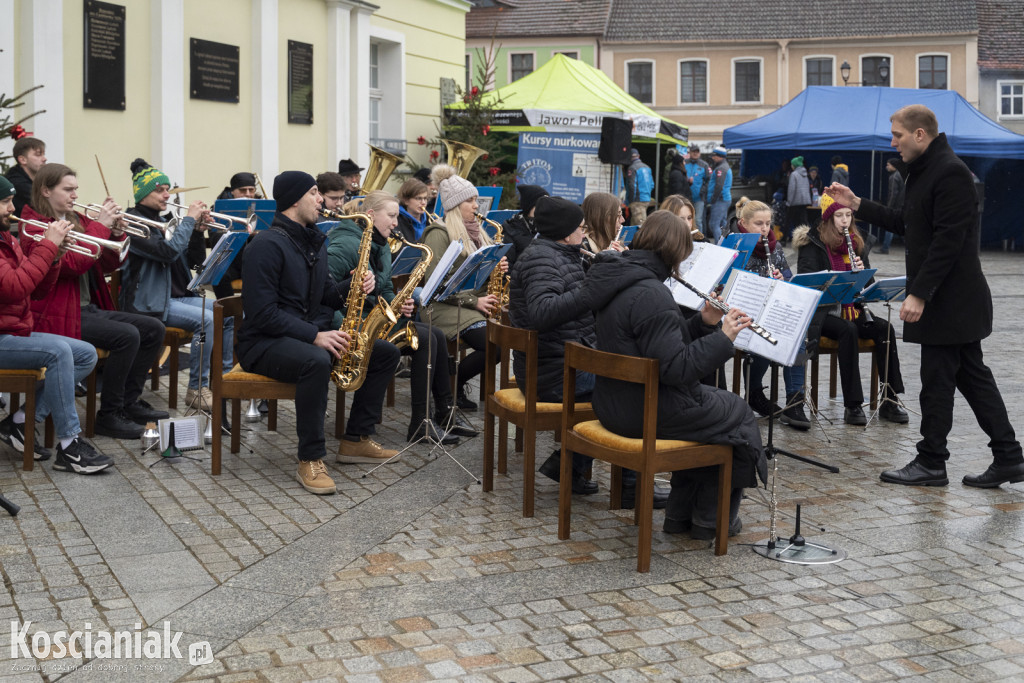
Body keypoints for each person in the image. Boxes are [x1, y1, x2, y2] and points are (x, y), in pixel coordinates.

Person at [827, 103, 1024, 488]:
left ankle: (932, 461)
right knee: (973, 377)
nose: (892, 142)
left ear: (920, 134)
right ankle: (1009, 456)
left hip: (950, 302)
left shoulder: (949, 172)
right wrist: (857, 204)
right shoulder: (925, 171)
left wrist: (918, 294)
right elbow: (905, 223)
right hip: (950, 301)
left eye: (897, 134)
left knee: (937, 381)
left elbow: (948, 243)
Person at [586, 210, 766, 538]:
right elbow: (676, 368)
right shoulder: (653, 294)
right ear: (674, 254)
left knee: (717, 411)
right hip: (643, 409)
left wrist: (703, 322)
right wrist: (723, 337)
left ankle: (681, 515)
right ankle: (710, 520)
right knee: (737, 414)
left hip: (614, 402)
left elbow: (655, 345)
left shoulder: (617, 279)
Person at [238, 172, 400, 494]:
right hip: (262, 343)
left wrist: (356, 285)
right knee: (317, 359)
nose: (321, 200)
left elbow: (326, 294)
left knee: (384, 351)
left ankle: (355, 439)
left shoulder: (313, 241)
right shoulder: (265, 245)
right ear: (295, 200)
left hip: (300, 334)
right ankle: (310, 458)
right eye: (314, 193)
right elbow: (262, 313)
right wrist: (315, 335)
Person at [510, 195, 668, 506]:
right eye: (581, 228)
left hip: (559, 361)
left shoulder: (559, 254)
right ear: (565, 231)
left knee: (627, 375)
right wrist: (592, 290)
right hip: (552, 374)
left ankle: (569, 466)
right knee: (634, 388)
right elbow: (544, 313)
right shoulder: (543, 259)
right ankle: (629, 485)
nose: (584, 233)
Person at [21, 164, 168, 439]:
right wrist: (100, 226)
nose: (75, 195)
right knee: (127, 336)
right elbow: (74, 264)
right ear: (45, 190)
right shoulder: (35, 225)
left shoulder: (75, 219)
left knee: (153, 329)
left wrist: (114, 234)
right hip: (58, 314)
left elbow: (107, 262)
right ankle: (109, 415)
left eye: (76, 188)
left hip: (87, 308)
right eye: (68, 189)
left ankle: (128, 402)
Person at [326, 190, 475, 444]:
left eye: (397, 216)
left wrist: (399, 304)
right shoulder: (345, 245)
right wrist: (345, 330)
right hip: (351, 326)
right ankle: (420, 422)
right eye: (392, 216)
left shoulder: (381, 242)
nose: (397, 223)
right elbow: (323, 294)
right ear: (370, 215)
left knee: (434, 333)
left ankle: (443, 412)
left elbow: (383, 289)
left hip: (375, 321)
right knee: (425, 340)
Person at [0, 175, 113, 473]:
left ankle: (21, 421)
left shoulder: (8, 239)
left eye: (11, 200)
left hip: (14, 330)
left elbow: (35, 290)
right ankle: (70, 446)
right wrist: (48, 247)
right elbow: (13, 287)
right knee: (59, 351)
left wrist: (54, 258)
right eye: (4, 202)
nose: (11, 208)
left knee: (85, 353)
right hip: (3, 336)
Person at [120, 159, 233, 414]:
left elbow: (192, 261)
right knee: (207, 321)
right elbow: (168, 252)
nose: (167, 194)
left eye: (167, 188)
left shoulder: (166, 221)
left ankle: (223, 379)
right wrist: (188, 221)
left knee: (227, 312)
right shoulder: (135, 223)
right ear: (142, 194)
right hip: (150, 302)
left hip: (178, 296)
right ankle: (197, 388)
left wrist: (195, 231)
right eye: (159, 189)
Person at [794, 193, 907, 426]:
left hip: (852, 308)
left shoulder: (856, 243)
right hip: (823, 313)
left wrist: (861, 271)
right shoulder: (812, 244)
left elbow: (865, 289)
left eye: (848, 215)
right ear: (827, 218)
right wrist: (836, 278)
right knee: (848, 330)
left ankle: (890, 399)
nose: (845, 221)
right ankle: (853, 405)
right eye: (839, 215)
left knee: (884, 329)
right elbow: (808, 283)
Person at [421, 175, 507, 410]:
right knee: (494, 346)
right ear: (455, 206)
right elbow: (436, 284)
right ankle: (452, 384)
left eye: (475, 200)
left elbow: (475, 278)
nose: (476, 206)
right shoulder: (438, 233)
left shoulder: (476, 232)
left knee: (500, 340)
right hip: (441, 306)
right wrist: (475, 301)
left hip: (467, 304)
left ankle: (453, 385)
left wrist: (495, 270)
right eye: (469, 201)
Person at [735, 199, 810, 430]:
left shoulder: (775, 248)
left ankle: (795, 402)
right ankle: (755, 392)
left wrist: (781, 280)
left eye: (767, 223)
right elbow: (726, 284)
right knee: (761, 336)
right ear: (744, 223)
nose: (764, 228)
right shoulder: (734, 245)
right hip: (742, 313)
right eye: (758, 223)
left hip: (772, 310)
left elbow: (789, 280)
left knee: (796, 331)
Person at [500, 184, 548, 267]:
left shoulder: (549, 228)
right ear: (529, 207)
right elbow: (507, 269)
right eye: (539, 206)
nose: (545, 210)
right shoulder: (510, 230)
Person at [4, 136, 46, 218]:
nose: (44, 159)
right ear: (23, 160)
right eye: (38, 154)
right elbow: (46, 204)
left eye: (44, 154)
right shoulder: (16, 182)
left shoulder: (40, 179)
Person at [877, 158, 904, 254]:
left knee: (890, 227)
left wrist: (889, 207)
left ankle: (885, 247)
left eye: (888, 165)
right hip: (902, 205)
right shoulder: (902, 174)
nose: (886, 167)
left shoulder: (894, 177)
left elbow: (893, 193)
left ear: (894, 166)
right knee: (901, 227)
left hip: (895, 206)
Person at [683, 144, 711, 233]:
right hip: (686, 197)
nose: (695, 153)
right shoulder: (684, 163)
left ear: (699, 153)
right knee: (685, 219)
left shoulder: (704, 165)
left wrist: (702, 190)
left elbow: (709, 180)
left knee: (698, 220)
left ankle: (700, 239)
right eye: (693, 152)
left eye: (697, 152)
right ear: (689, 153)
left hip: (699, 197)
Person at [706, 147, 732, 243]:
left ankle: (720, 245)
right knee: (722, 224)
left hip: (720, 200)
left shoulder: (721, 168)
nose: (713, 158)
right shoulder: (725, 166)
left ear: (719, 156)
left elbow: (719, 186)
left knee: (713, 224)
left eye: (714, 155)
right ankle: (726, 244)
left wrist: (713, 199)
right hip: (724, 199)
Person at [395, 178, 432, 243]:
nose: (423, 202)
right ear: (406, 200)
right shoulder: (397, 221)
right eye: (418, 198)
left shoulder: (430, 219)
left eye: (425, 198)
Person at [624, 148, 653, 224]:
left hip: (637, 201)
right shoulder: (647, 168)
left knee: (640, 226)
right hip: (646, 199)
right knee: (634, 225)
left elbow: (632, 186)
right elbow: (652, 185)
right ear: (638, 156)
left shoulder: (632, 168)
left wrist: (630, 201)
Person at [786, 156, 811, 243]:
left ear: (794, 165)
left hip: (795, 202)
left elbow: (792, 190)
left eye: (792, 165)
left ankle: (785, 240)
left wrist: (789, 202)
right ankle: (807, 238)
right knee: (803, 221)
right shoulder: (805, 174)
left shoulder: (794, 174)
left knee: (790, 221)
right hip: (804, 201)